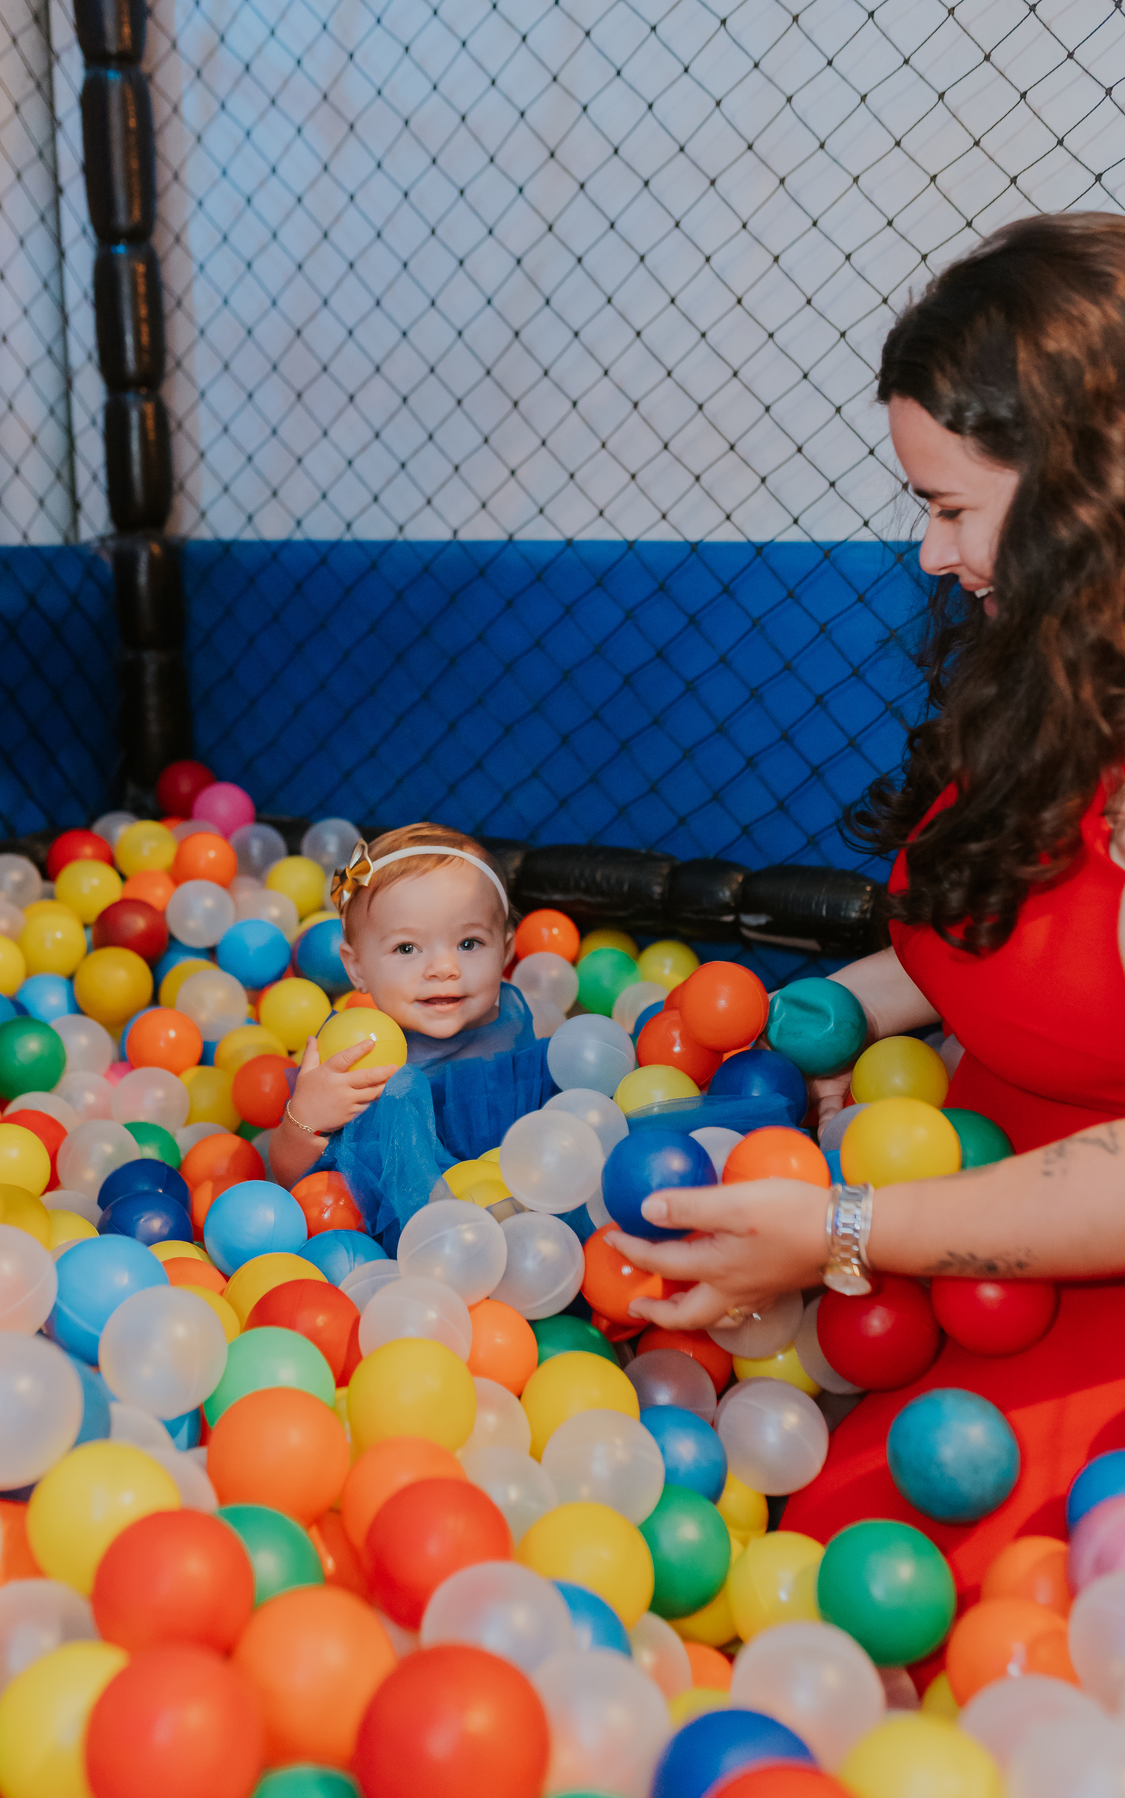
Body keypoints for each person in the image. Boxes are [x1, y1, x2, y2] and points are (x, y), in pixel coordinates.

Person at [606, 212, 1125, 1585]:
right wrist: (811, 1016)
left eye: (954, 507)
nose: (933, 557)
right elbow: (1005, 933)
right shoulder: (1049, 677)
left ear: (1092, 494)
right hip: (955, 1217)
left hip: (1073, 1286)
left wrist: (841, 1230)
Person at [269, 824, 553, 1240]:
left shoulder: (510, 1018)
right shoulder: (352, 1051)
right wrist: (306, 1119)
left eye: (469, 943)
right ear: (357, 968)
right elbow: (288, 1177)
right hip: (413, 1240)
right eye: (406, 948)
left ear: (506, 951)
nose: (443, 968)